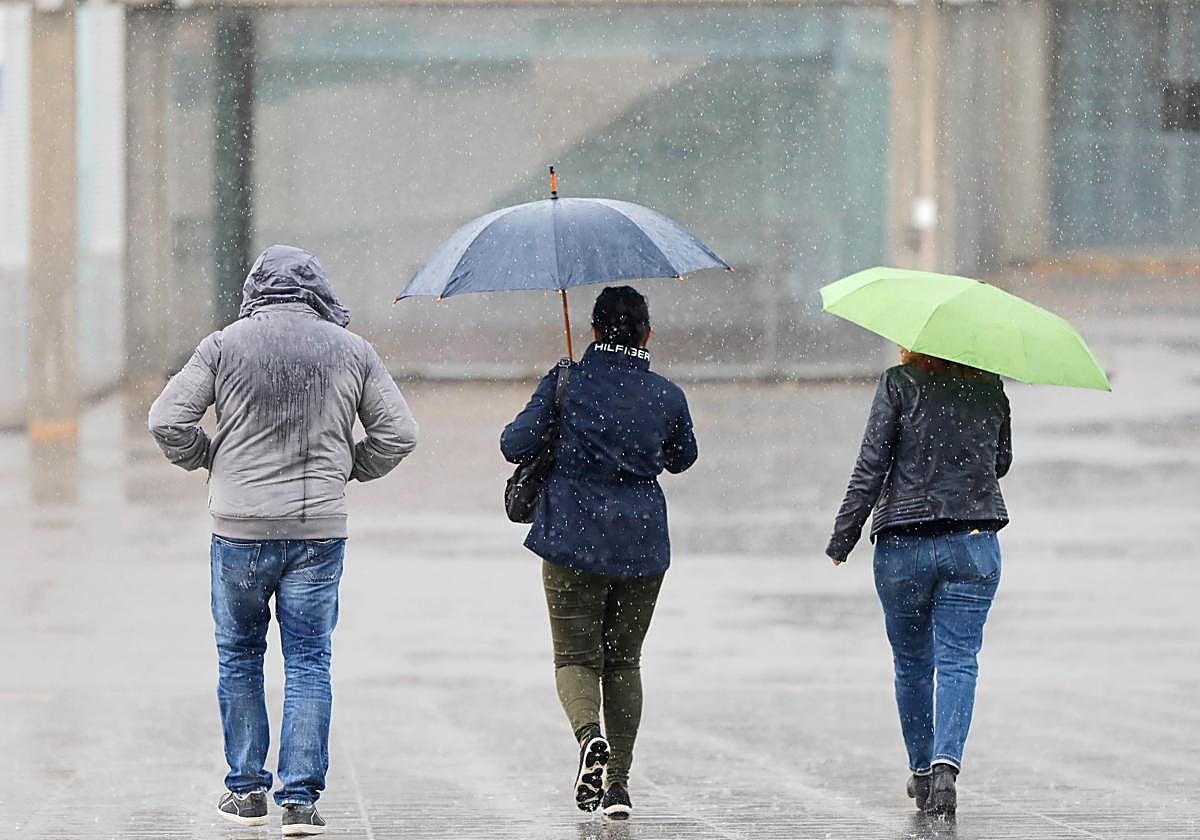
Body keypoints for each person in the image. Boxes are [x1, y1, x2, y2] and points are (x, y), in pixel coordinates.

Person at [148, 245, 418, 836]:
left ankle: (246, 793)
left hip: (239, 531)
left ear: (255, 290)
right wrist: (350, 468)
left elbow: (166, 420)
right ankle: (299, 801)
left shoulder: (223, 345)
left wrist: (208, 458)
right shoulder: (352, 350)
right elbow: (399, 433)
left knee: (239, 656)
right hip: (318, 531)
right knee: (308, 660)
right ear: (316, 289)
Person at [501, 286, 698, 820]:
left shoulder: (566, 380)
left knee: (575, 658)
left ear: (593, 330)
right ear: (647, 334)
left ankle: (589, 737)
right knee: (624, 661)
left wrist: (562, 401)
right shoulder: (666, 395)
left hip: (570, 539)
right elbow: (683, 458)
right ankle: (619, 787)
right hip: (641, 545)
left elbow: (513, 446)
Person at [825, 348, 1011, 818]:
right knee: (958, 660)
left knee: (911, 663)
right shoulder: (990, 386)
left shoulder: (898, 383)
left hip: (903, 544)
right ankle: (947, 766)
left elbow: (871, 466)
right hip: (972, 540)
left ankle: (922, 772)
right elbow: (1001, 461)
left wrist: (843, 537)